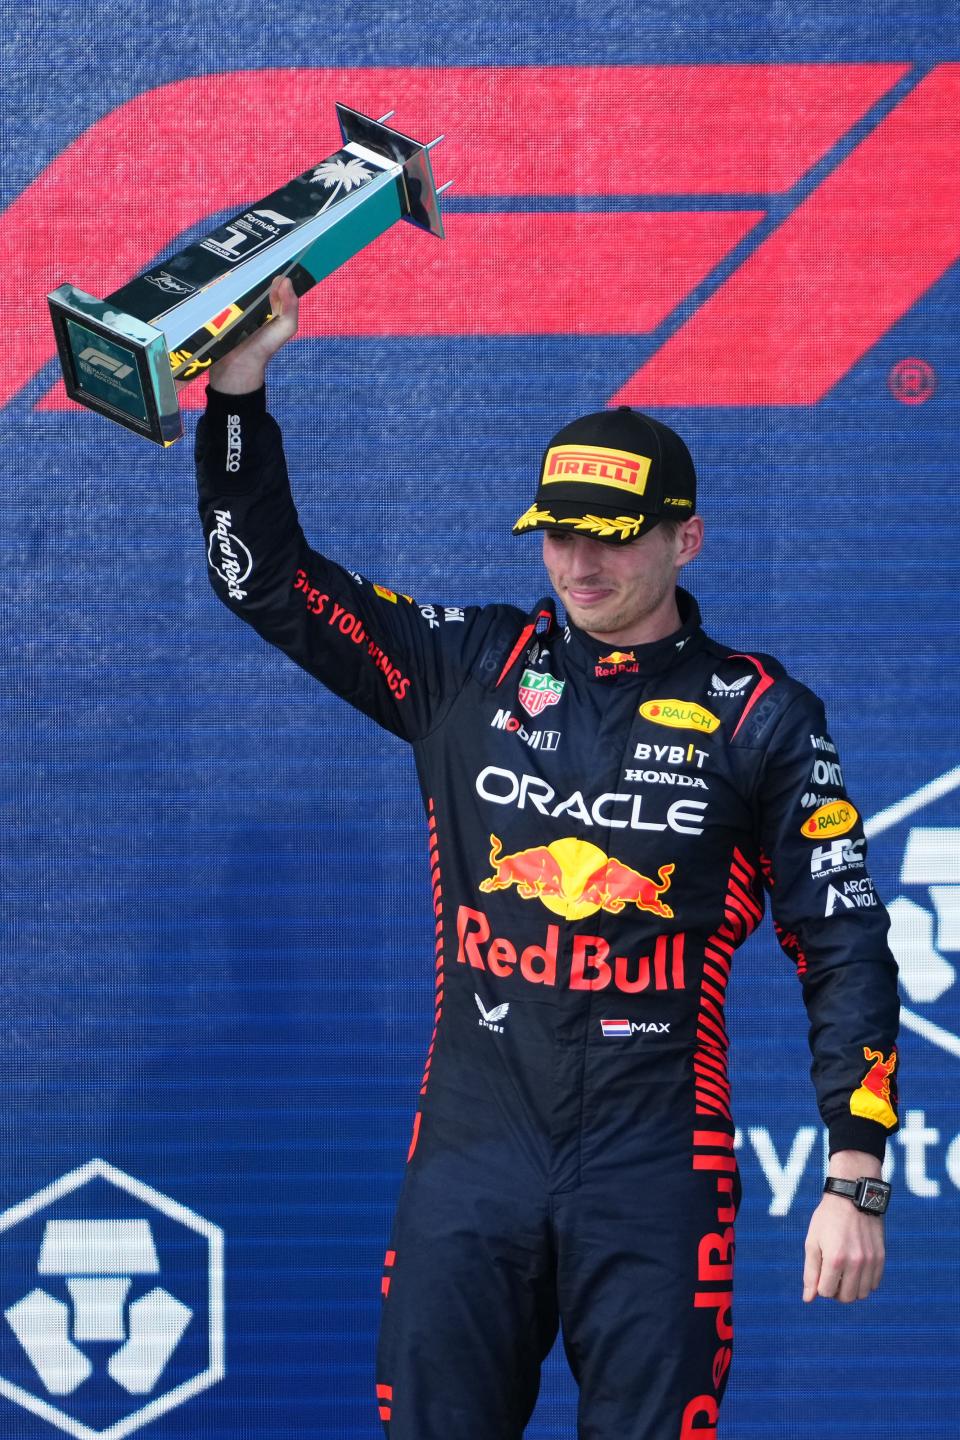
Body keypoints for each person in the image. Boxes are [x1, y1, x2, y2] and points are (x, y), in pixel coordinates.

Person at [196, 276, 900, 1440]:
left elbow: (843, 942)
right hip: (472, 1152)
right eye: (561, 534)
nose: (582, 564)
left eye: (616, 538)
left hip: (657, 1163)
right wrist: (236, 393)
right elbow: (263, 579)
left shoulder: (761, 714)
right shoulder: (465, 666)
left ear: (687, 537)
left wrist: (856, 1169)